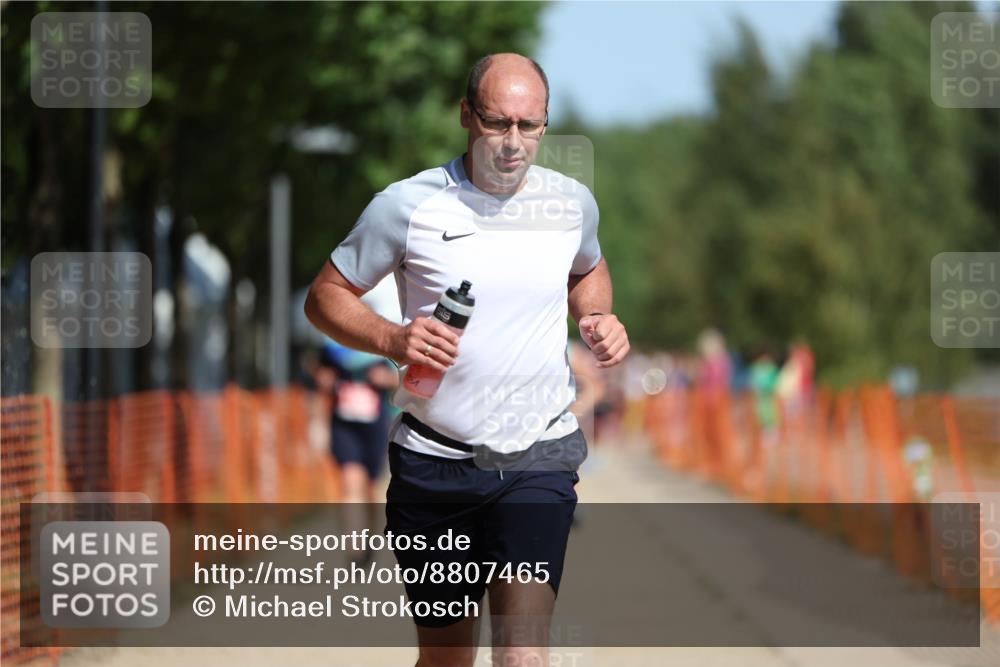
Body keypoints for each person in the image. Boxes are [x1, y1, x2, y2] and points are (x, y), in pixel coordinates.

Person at [305, 52, 629, 667]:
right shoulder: (407, 206)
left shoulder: (571, 203)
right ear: (465, 115)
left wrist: (596, 317)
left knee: (522, 654)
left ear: (545, 123)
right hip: (434, 463)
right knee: (447, 660)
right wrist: (392, 339)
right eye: (497, 122)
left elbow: (588, 267)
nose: (513, 142)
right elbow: (324, 297)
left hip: (537, 456)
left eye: (529, 125)